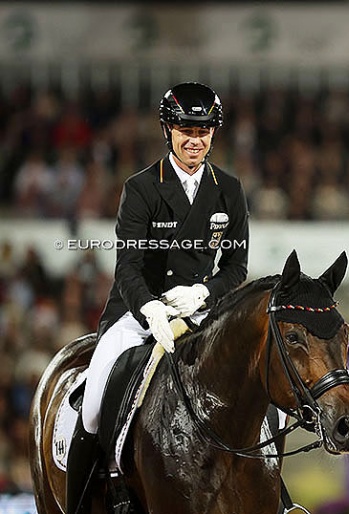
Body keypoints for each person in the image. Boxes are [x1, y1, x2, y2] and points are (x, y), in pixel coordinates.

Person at [66, 82, 249, 514]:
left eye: (203, 131)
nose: (195, 140)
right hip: (137, 313)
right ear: (168, 129)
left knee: (251, 389)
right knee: (92, 409)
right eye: (186, 129)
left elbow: (236, 267)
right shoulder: (143, 187)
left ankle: (274, 496)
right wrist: (151, 307)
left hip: (200, 315)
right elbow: (127, 266)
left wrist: (203, 292)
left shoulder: (229, 190)